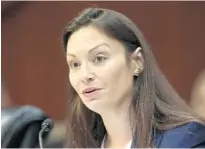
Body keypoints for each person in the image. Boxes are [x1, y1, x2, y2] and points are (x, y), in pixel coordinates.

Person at [62, 7, 205, 148]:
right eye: (75, 64)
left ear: (137, 61)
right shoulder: (78, 145)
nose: (85, 75)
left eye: (99, 58)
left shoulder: (184, 140)